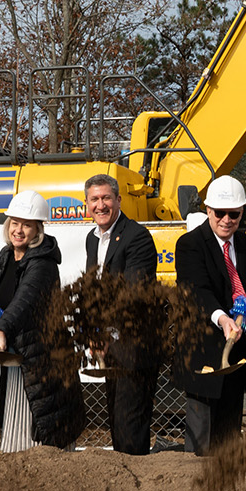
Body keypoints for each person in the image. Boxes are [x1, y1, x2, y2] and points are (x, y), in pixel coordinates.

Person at [173, 176, 246, 455]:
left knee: (228, 441)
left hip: (236, 358)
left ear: (242, 213)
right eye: (220, 213)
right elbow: (195, 290)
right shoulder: (190, 245)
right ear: (208, 210)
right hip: (203, 356)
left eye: (234, 214)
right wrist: (222, 318)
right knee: (201, 446)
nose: (227, 220)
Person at [0, 190, 79, 452]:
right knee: (18, 421)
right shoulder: (6, 256)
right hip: (19, 355)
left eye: (26, 225)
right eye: (14, 223)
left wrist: (3, 327)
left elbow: (23, 301)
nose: (18, 230)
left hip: (41, 357)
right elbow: (0, 297)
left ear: (38, 229)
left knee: (40, 431)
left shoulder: (43, 262)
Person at [83, 174, 160, 455]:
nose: (100, 205)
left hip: (135, 346)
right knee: (116, 423)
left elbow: (132, 293)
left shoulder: (137, 237)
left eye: (106, 198)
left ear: (118, 200)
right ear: (87, 204)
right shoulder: (92, 240)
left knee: (130, 429)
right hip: (112, 346)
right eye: (94, 199)